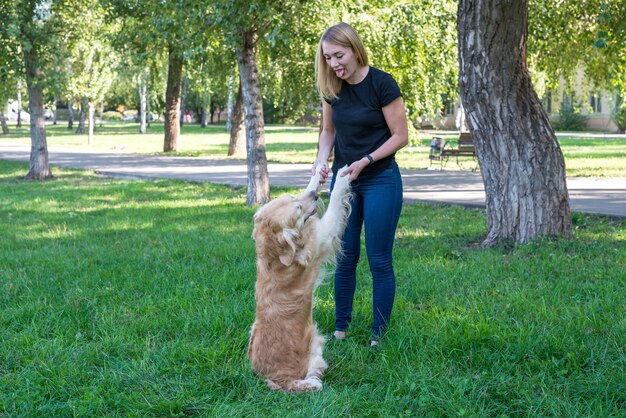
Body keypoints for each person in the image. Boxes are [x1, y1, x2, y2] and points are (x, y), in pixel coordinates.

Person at [312, 22, 409, 348]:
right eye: (328, 57)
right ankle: (341, 329)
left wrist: (366, 160)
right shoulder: (331, 88)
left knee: (379, 260)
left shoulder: (382, 84)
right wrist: (321, 160)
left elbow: (400, 136)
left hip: (380, 179)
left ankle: (379, 336)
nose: (334, 63)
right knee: (345, 256)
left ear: (355, 49)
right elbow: (328, 133)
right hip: (343, 183)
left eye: (339, 55)